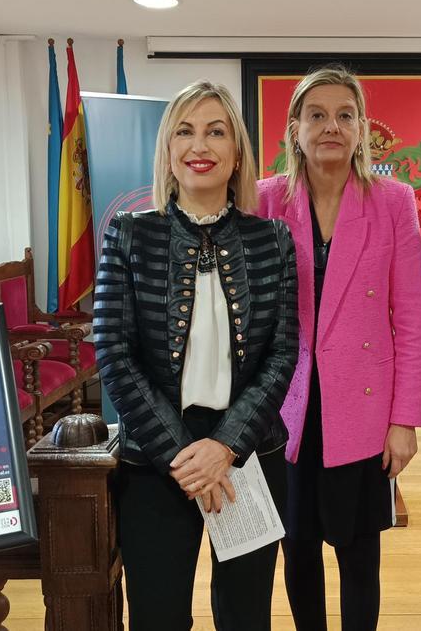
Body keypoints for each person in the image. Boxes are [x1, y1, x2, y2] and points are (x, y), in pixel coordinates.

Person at [93, 80, 298, 631]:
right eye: (184, 131)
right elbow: (112, 351)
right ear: (168, 149)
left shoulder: (272, 238)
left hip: (248, 451)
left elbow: (283, 354)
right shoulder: (129, 235)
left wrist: (225, 448)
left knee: (246, 614)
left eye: (215, 131)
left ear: (236, 154)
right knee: (157, 617)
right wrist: (185, 456)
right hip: (157, 458)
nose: (199, 145)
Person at [256, 65, 421, 631]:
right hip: (288, 406)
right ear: (295, 129)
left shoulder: (393, 200)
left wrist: (405, 419)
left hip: (363, 406)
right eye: (317, 114)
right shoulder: (264, 201)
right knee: (297, 550)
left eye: (345, 115)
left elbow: (409, 317)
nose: (331, 125)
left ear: (361, 130)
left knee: (358, 554)